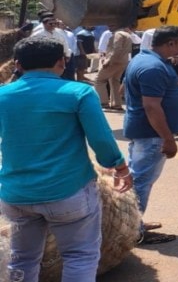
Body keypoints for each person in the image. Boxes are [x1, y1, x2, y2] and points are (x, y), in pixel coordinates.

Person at [0, 37, 133, 282]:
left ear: (17, 65)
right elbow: (101, 140)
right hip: (68, 194)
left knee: (22, 258)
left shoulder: (3, 96)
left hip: (15, 195)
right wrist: (120, 167)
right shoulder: (78, 93)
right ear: (62, 62)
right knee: (79, 256)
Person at [122, 26, 178, 245]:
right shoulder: (152, 67)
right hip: (151, 134)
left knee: (137, 178)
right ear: (170, 43)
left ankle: (135, 222)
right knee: (141, 181)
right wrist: (168, 139)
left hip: (146, 132)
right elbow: (152, 106)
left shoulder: (146, 60)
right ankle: (135, 230)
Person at [93, 24, 134, 110]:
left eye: (111, 25)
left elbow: (117, 49)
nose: (109, 27)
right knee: (115, 81)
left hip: (114, 61)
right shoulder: (127, 34)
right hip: (123, 61)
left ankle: (103, 102)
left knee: (99, 80)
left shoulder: (118, 34)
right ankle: (116, 104)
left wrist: (108, 60)